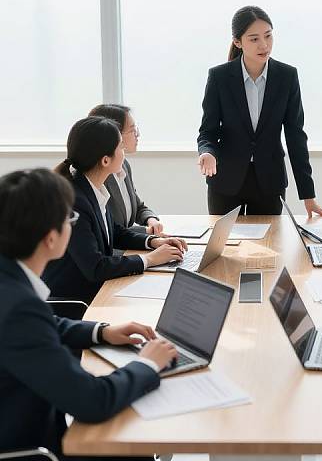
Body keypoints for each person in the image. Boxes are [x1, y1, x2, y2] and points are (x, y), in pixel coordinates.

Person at [0, 168, 178, 458]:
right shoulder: (19, 306)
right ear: (50, 239)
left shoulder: (11, 285)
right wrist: (147, 365)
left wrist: (101, 331)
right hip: (28, 447)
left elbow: (38, 325)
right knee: (132, 440)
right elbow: (93, 401)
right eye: (69, 219)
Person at [197, 5, 322, 217]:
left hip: (270, 182)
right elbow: (208, 131)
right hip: (226, 182)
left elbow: (296, 136)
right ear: (238, 42)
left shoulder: (287, 76)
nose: (264, 45)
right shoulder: (219, 77)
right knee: (225, 246)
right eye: (254, 38)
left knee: (270, 247)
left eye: (268, 36)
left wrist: (308, 195)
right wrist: (207, 152)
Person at [43, 116, 187, 304]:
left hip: (97, 290)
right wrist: (150, 260)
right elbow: (96, 267)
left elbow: (115, 232)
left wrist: (153, 242)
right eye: (120, 147)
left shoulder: (91, 189)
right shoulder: (75, 201)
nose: (124, 151)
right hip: (76, 302)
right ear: (105, 160)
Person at [89, 104, 165, 235]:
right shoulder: (99, 175)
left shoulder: (123, 165)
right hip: (117, 251)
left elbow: (138, 205)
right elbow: (111, 230)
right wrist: (147, 232)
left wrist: (151, 219)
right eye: (132, 130)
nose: (138, 135)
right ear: (114, 135)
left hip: (130, 246)